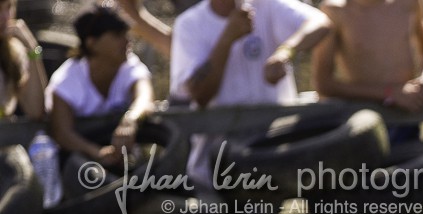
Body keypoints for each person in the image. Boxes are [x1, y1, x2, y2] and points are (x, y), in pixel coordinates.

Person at [47, 5, 155, 173]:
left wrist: (131, 119)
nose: (127, 41)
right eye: (117, 35)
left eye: (125, 34)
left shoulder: (129, 64)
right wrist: (97, 152)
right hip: (77, 166)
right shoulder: (66, 80)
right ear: (92, 43)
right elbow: (62, 133)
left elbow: (145, 98)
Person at [170, 0, 330, 108]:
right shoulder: (189, 24)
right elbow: (200, 96)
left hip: (277, 135)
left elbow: (320, 21)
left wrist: (285, 52)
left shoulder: (266, 4)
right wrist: (227, 39)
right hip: (220, 143)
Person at [312, 0, 423, 114]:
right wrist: (389, 93)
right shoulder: (335, 10)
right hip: (360, 113)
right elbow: (323, 84)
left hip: (407, 114)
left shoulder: (409, 3)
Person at [0, 0, 47, 119]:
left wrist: (32, 48)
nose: (6, 16)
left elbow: (35, 110)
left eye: (9, 7)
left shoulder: (15, 51)